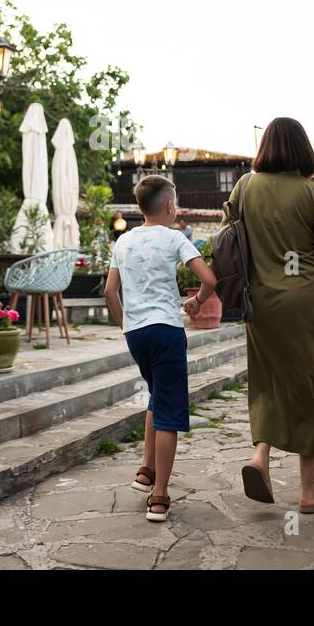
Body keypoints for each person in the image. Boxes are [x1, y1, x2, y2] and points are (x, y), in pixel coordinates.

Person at [228, 117, 314, 513]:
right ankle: (308, 491)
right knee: (312, 386)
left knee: (269, 379)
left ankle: (260, 458)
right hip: (304, 302)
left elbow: (227, 243)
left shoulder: (244, 187)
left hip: (260, 302)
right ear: (303, 149)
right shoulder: (312, 194)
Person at [105, 174, 216, 523]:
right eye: (176, 203)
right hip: (167, 330)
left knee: (157, 395)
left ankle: (146, 469)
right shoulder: (174, 238)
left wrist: (127, 325)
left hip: (136, 333)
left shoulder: (123, 241)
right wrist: (198, 302)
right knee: (169, 412)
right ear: (169, 206)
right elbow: (210, 280)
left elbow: (110, 291)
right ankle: (160, 496)